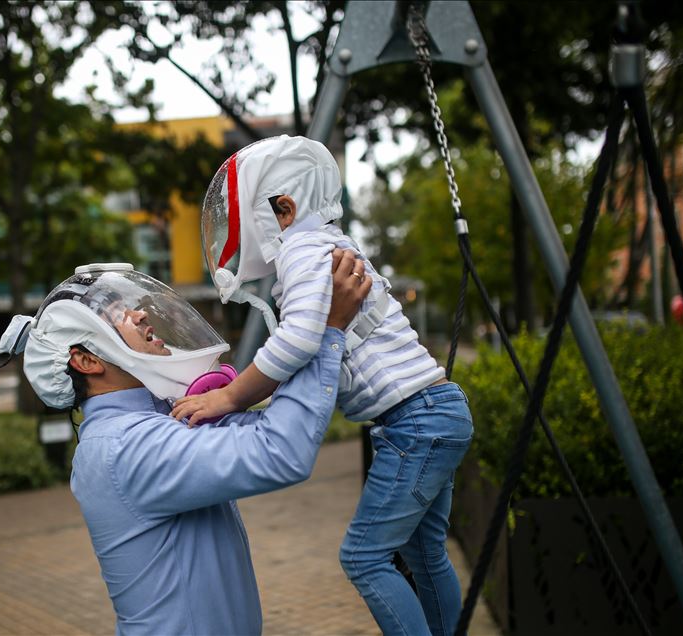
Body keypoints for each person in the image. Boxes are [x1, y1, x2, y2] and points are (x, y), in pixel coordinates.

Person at [172, 135, 475, 636]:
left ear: (283, 208)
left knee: (364, 557)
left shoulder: (303, 248)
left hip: (414, 420)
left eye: (245, 216)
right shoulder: (329, 243)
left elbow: (298, 339)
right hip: (435, 411)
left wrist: (228, 396)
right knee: (423, 552)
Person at [0, 254, 371, 635]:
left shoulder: (152, 420)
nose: (140, 315)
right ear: (88, 361)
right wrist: (326, 330)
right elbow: (281, 451)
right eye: (115, 316)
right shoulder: (127, 444)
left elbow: (278, 425)